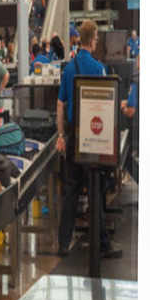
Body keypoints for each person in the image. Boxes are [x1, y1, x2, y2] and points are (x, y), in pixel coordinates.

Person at [55, 20, 123, 259]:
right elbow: (107, 104)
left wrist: (61, 135)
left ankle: (64, 243)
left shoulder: (69, 68)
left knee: (72, 190)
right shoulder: (98, 68)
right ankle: (103, 243)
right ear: (93, 40)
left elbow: (61, 104)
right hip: (94, 138)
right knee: (95, 190)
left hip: (73, 136)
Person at [120, 55, 139, 185]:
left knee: (124, 155)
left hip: (137, 129)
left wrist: (123, 108)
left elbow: (131, 112)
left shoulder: (136, 82)